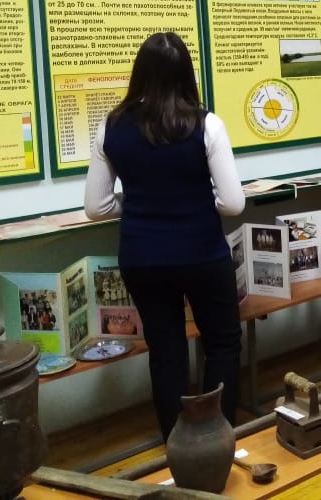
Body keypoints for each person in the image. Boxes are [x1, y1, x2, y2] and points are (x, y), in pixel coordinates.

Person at [84, 32, 245, 442]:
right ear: (186, 74)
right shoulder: (206, 124)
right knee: (223, 343)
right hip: (202, 253)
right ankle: (218, 436)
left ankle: (177, 444)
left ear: (139, 73)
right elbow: (233, 203)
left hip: (142, 257)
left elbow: (96, 207)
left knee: (166, 351)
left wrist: (138, 207)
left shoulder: (110, 127)